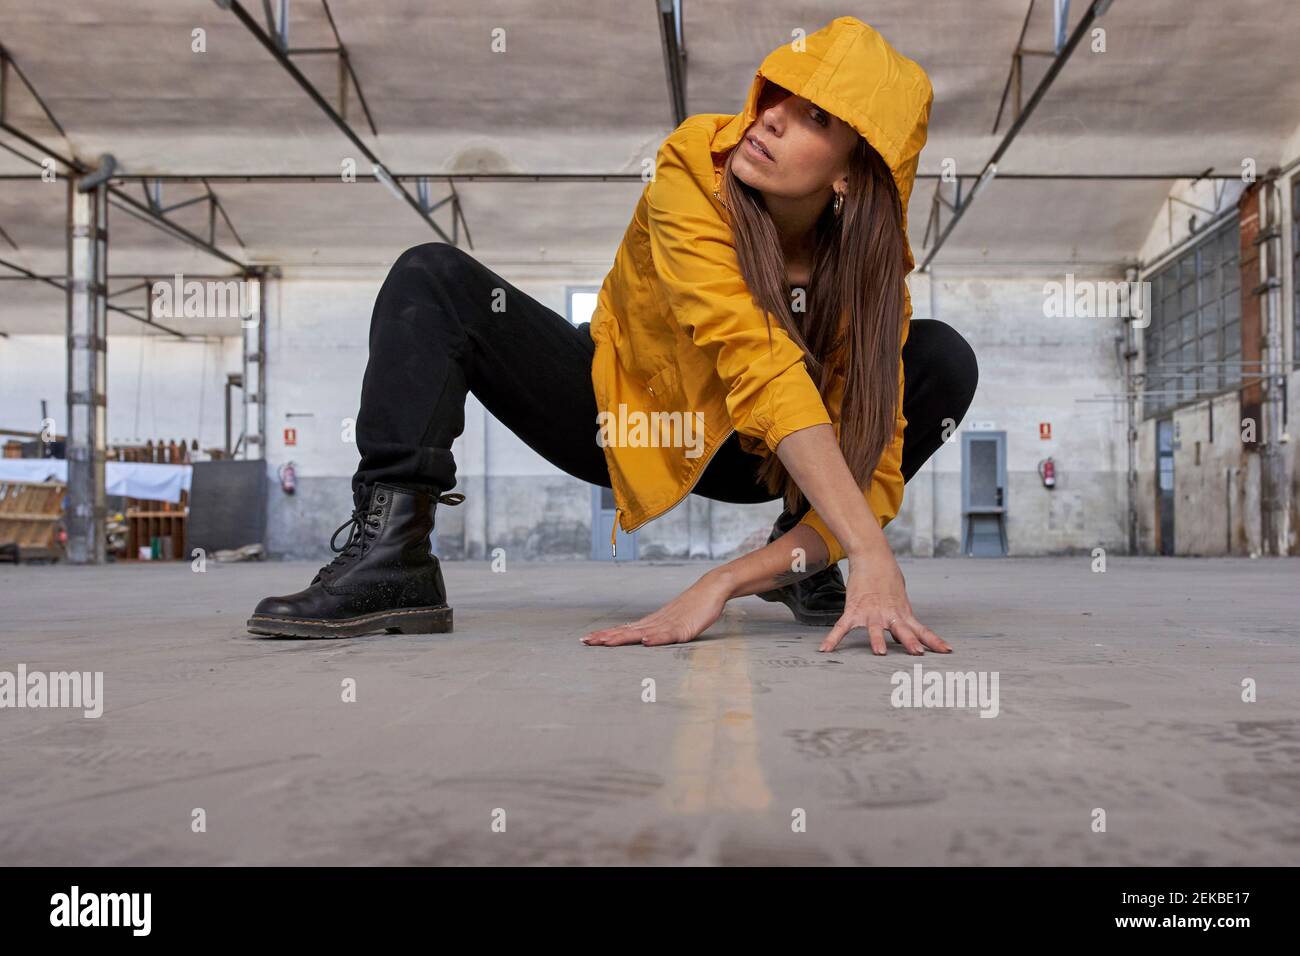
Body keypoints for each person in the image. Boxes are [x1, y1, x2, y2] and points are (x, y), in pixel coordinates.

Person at [247, 16, 977, 654]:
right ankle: (394, 561)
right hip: (618, 412)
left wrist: (729, 580)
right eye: (781, 93)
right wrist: (875, 554)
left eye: (816, 117)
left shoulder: (872, 290)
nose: (772, 118)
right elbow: (757, 361)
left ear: (854, 174)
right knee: (432, 277)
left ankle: (803, 565)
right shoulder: (695, 167)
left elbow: (867, 479)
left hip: (756, 459)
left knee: (943, 358)